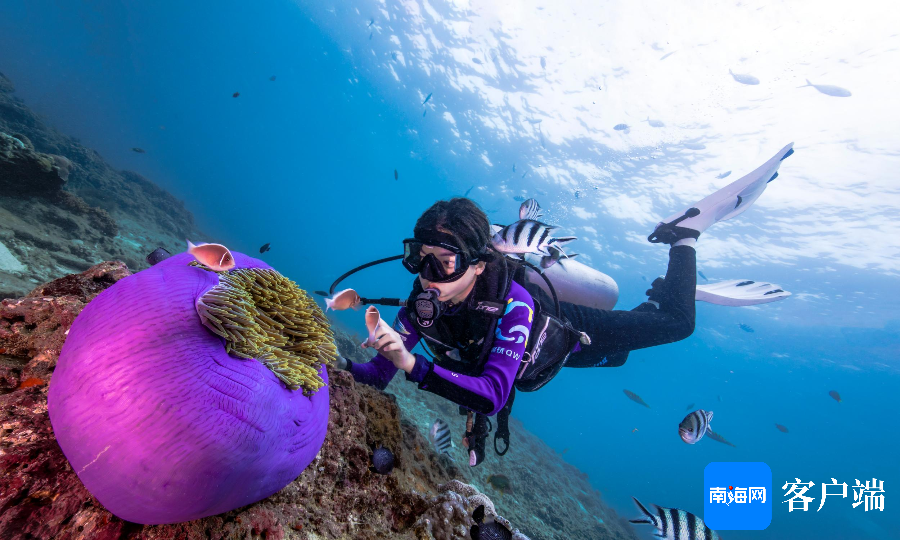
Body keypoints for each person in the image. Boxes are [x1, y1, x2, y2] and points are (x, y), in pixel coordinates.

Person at [335, 143, 794, 466]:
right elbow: (377, 375)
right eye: (419, 258)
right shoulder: (422, 303)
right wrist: (332, 369)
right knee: (618, 359)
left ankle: (683, 238)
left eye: (445, 262)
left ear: (478, 264)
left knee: (675, 324)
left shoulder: (514, 305)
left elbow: (493, 394)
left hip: (565, 334)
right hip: (533, 363)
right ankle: (666, 291)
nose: (427, 275)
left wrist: (411, 363)